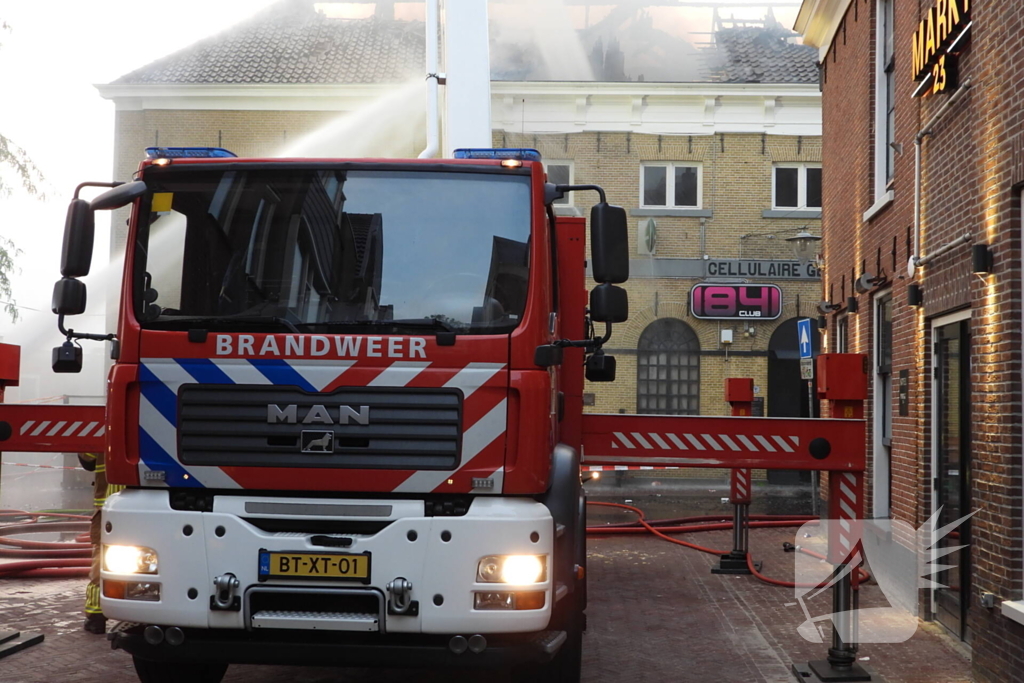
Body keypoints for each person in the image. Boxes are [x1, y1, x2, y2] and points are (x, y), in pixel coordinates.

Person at [77, 451, 125, 634]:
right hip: (144, 508)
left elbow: (88, 459)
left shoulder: (100, 431)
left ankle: (96, 617)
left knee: (102, 560)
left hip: (107, 510)